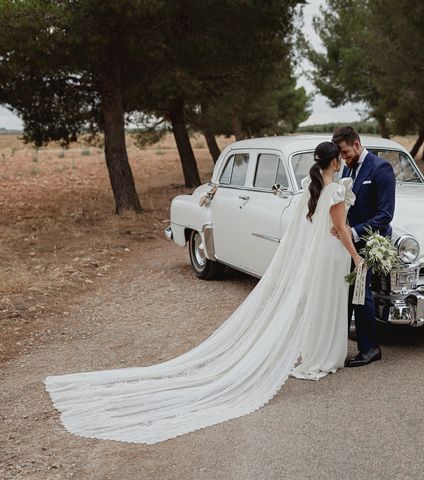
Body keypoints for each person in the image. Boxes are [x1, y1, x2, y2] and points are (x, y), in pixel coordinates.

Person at [44, 141, 362, 444]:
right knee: (326, 304)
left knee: (321, 304)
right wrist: (357, 256)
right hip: (332, 254)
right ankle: (322, 357)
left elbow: (318, 225)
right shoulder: (333, 189)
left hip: (322, 253)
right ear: (334, 161)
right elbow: (341, 228)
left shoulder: (311, 188)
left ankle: (319, 354)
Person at [331, 126, 396, 368]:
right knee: (349, 292)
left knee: (361, 294)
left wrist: (354, 231)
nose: (344, 158)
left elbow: (386, 214)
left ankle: (370, 349)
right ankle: (353, 338)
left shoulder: (381, 169)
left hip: (373, 241)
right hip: (350, 242)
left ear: (357, 144)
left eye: (346, 152)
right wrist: (339, 226)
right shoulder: (349, 167)